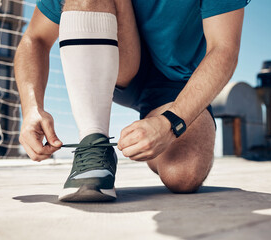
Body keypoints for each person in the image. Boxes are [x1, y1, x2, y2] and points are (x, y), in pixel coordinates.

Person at [15, 0, 249, 202]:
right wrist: (32, 109)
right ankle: (94, 144)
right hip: (118, 65)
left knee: (182, 174)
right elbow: (34, 38)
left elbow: (224, 48)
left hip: (181, 84)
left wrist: (170, 124)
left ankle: (156, 129)